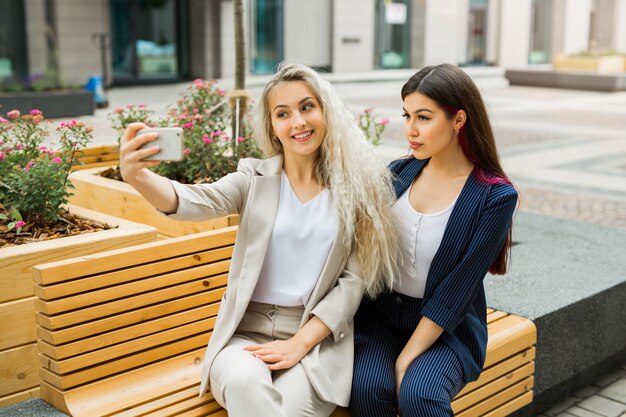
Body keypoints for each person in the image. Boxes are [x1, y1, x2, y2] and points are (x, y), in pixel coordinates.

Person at [119, 62, 398, 417]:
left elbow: (352, 283)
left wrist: (299, 344)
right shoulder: (252, 179)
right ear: (273, 127)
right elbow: (192, 201)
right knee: (246, 384)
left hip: (313, 342)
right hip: (243, 337)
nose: (298, 121)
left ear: (327, 112)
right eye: (283, 113)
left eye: (307, 107)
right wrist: (137, 176)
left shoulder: (355, 191)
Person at [350, 63, 518, 417]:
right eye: (406, 115)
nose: (410, 130)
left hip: (447, 328)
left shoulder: (495, 196)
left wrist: (407, 358)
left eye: (423, 118)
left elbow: (457, 290)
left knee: (419, 395)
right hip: (381, 317)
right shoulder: (398, 173)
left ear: (458, 120)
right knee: (367, 391)